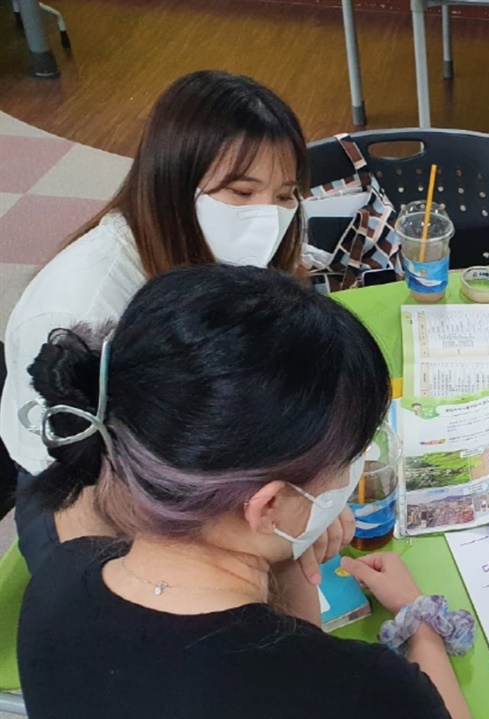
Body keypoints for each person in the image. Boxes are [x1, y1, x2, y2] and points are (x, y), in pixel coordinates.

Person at [17, 265, 489, 719]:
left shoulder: (57, 583)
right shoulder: (356, 691)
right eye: (346, 461)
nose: (348, 478)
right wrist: (419, 621)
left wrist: (291, 562)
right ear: (269, 505)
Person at [1, 69, 308, 576]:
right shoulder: (81, 310)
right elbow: (82, 489)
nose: (268, 219)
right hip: (83, 498)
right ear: (174, 184)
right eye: (240, 192)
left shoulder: (209, 247)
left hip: (187, 461)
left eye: (284, 196)